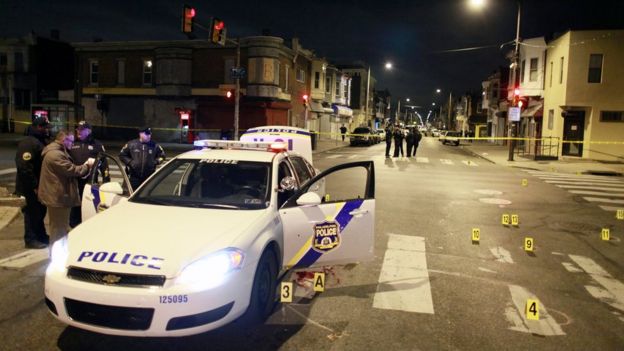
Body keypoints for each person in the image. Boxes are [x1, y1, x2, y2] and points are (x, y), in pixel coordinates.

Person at [38, 130, 94, 246]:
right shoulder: (56, 155)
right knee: (58, 230)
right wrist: (87, 166)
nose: (72, 145)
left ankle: (59, 253)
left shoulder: (58, 151)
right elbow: (71, 170)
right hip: (57, 198)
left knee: (60, 228)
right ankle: (56, 257)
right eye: (71, 141)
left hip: (57, 195)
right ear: (64, 140)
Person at [15, 116, 50, 249]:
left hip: (38, 186)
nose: (47, 130)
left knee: (40, 211)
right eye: (45, 128)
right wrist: (34, 186)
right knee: (31, 213)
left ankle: (40, 235)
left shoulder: (39, 141)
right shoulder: (28, 143)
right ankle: (31, 239)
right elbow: (24, 167)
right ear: (39, 127)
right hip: (29, 187)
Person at [68, 121, 110, 228]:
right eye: (78, 129)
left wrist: (106, 181)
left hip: (90, 181)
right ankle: (74, 226)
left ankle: (88, 226)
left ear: (89, 131)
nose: (78, 131)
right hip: (74, 181)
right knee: (75, 206)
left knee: (89, 205)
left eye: (82, 129)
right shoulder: (71, 144)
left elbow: (104, 164)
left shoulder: (97, 145)